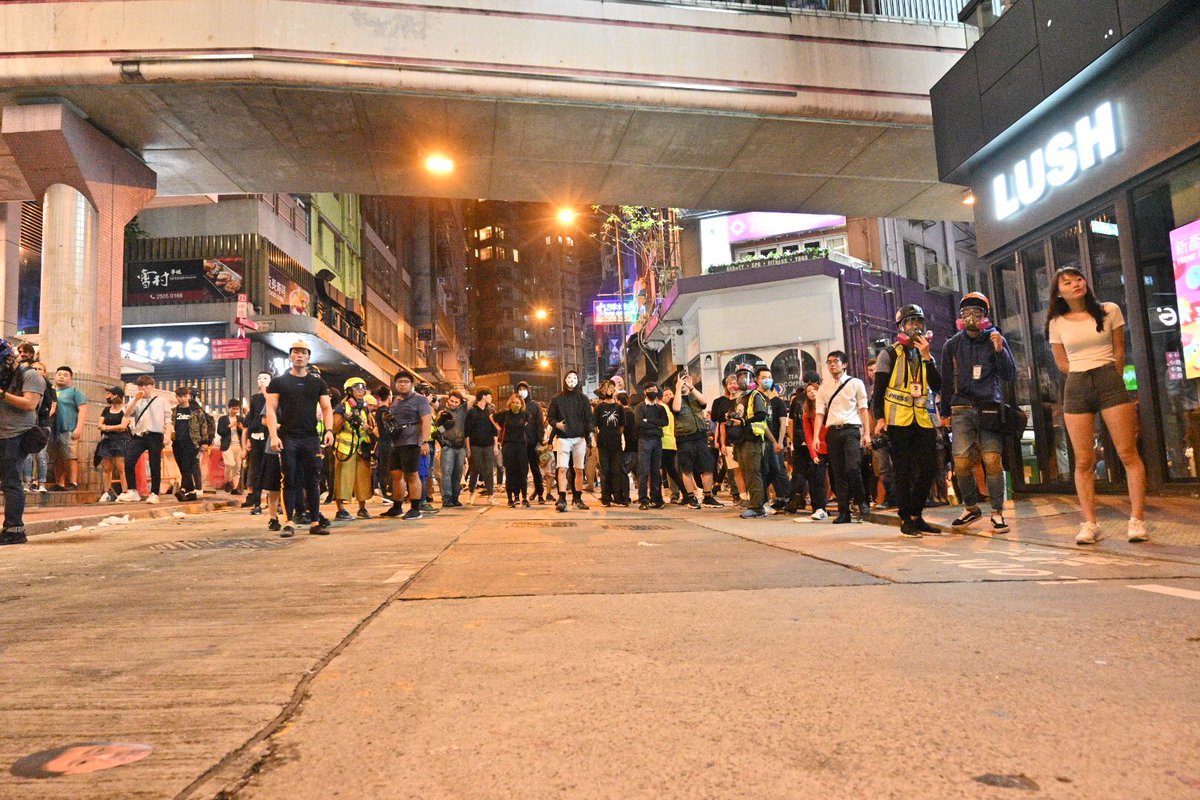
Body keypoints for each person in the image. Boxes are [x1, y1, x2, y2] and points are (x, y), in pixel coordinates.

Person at [1047, 267, 1148, 544]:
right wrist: (1082, 372)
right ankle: (1090, 523)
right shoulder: (1057, 322)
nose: (1075, 284)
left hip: (1108, 379)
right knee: (1083, 460)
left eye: (1078, 279)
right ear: (1059, 292)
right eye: (1067, 282)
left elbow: (1119, 350)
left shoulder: (1109, 309)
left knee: (1127, 452)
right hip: (1077, 384)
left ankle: (1137, 520)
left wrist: (1111, 376)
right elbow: (1061, 362)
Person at [940, 292, 1017, 534]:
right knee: (961, 461)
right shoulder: (951, 345)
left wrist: (999, 350)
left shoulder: (995, 339)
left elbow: (1009, 375)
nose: (971, 317)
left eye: (977, 313)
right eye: (966, 313)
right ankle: (971, 507)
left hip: (988, 408)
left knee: (992, 460)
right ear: (960, 317)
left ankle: (997, 512)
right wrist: (944, 412)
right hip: (960, 408)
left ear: (985, 316)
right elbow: (944, 380)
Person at [872, 305, 943, 537]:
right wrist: (879, 418)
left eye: (919, 322)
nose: (915, 327)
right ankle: (906, 518)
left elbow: (937, 385)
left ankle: (916, 513)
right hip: (898, 420)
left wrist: (927, 358)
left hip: (922, 419)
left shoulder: (926, 354)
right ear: (901, 327)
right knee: (902, 470)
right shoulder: (889, 354)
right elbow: (879, 389)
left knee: (929, 466)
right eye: (909, 323)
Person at [265, 341, 334, 537]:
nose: (299, 356)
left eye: (303, 352)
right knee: (289, 479)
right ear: (290, 356)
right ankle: (288, 522)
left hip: (311, 437)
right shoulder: (278, 382)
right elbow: (270, 410)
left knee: (313, 480)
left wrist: (329, 430)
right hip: (288, 437)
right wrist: (274, 436)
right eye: (295, 352)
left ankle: (314, 521)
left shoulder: (317, 383)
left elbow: (327, 408)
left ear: (308, 357)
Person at [814, 351, 870, 524]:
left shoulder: (856, 383)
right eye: (829, 362)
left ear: (844, 364)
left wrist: (867, 433)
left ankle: (861, 500)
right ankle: (843, 511)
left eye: (836, 361)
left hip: (851, 429)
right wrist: (816, 436)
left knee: (853, 467)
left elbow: (863, 409)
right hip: (833, 432)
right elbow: (819, 414)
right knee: (837, 473)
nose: (832, 365)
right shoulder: (824, 388)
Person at [0, 345, 48, 545]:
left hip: (17, 436)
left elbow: (30, 403)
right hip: (2, 434)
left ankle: (15, 529)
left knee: (11, 482)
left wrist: (2, 394)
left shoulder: (31, 376)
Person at [382, 373, 434, 520]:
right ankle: (397, 507)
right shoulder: (396, 401)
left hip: (412, 442)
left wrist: (424, 442)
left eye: (405, 382)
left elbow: (426, 421)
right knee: (396, 474)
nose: (402, 385)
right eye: (399, 382)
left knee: (412, 474)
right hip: (396, 442)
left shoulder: (420, 400)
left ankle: (415, 508)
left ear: (411, 384)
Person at [670, 371, 722, 509]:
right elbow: (676, 408)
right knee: (687, 469)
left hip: (700, 436)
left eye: (685, 380)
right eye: (681, 380)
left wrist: (691, 387)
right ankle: (691, 497)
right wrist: (678, 389)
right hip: (684, 438)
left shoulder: (694, 396)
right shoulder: (674, 398)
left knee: (707, 467)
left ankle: (708, 497)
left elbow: (704, 402)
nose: (684, 383)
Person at [546, 370, 593, 512]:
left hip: (580, 438)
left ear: (578, 380)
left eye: (574, 378)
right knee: (562, 468)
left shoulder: (583, 398)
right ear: (564, 379)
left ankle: (577, 498)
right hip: (563, 438)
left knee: (579, 469)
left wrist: (589, 438)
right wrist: (556, 425)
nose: (571, 380)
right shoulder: (557, 399)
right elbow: (550, 417)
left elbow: (588, 419)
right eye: (569, 377)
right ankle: (562, 498)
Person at [727, 365, 769, 518]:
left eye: (746, 375)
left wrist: (743, 422)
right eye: (739, 376)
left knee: (753, 473)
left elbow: (761, 415)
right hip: (741, 440)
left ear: (752, 378)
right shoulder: (740, 397)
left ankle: (757, 507)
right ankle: (755, 503)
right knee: (746, 473)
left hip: (752, 439)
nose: (742, 378)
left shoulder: (755, 395)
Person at [118, 375, 167, 504]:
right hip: (139, 435)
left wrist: (167, 435)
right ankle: (132, 491)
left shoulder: (161, 400)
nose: (143, 388)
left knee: (154, 464)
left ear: (152, 386)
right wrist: (135, 399)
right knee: (129, 460)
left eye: (146, 385)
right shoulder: (136, 400)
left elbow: (168, 419)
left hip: (155, 435)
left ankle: (154, 493)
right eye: (140, 386)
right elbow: (127, 413)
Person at [332, 377, 376, 520]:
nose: (360, 391)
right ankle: (341, 510)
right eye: (357, 388)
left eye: (363, 388)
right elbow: (334, 427)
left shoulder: (364, 408)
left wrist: (368, 428)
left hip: (361, 449)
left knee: (363, 479)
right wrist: (346, 417)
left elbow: (371, 428)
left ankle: (362, 508)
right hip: (345, 450)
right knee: (343, 478)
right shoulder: (342, 407)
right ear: (350, 391)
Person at [787, 372, 829, 520]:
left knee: (804, 473)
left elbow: (791, 423)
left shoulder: (826, 402)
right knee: (815, 476)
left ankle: (799, 498)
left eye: (814, 389)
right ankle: (818, 506)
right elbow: (802, 428)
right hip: (811, 445)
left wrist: (793, 440)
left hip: (821, 445)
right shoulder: (804, 406)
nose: (812, 392)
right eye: (809, 390)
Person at [168, 386, 213, 502]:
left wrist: (204, 442)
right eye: (179, 396)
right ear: (176, 397)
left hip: (192, 442)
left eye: (184, 396)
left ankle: (183, 489)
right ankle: (192, 492)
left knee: (187, 466)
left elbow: (204, 426)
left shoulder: (196, 411)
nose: (182, 399)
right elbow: (169, 425)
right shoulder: (174, 411)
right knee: (183, 468)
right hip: (177, 442)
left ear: (188, 396)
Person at [756, 366, 792, 511]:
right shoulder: (756, 398)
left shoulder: (777, 401)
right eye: (763, 377)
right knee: (765, 470)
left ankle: (788, 498)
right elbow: (761, 422)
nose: (767, 380)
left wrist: (779, 441)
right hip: (761, 440)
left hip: (776, 441)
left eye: (769, 377)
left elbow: (783, 423)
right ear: (757, 380)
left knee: (779, 470)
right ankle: (765, 500)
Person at [47, 365, 87, 491]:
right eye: (59, 374)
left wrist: (79, 427)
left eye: (65, 375)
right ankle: (60, 483)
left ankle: (73, 482)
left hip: (68, 427)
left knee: (70, 456)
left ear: (71, 378)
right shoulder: (50, 391)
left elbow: (83, 409)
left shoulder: (75, 391)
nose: (62, 377)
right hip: (52, 429)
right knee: (56, 456)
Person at [712, 374, 746, 503]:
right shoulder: (722, 403)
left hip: (744, 439)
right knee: (733, 469)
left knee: (746, 469)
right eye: (730, 383)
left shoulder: (744, 400)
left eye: (735, 382)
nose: (733, 385)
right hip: (729, 440)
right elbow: (721, 424)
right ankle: (737, 495)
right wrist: (721, 442)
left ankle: (748, 494)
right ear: (726, 386)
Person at [242, 372, 273, 512]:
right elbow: (251, 419)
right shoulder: (254, 399)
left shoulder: (274, 397)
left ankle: (273, 501)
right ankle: (256, 503)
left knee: (270, 469)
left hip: (269, 437)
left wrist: (267, 393)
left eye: (265, 378)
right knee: (255, 470)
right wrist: (248, 438)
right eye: (259, 378)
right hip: (256, 438)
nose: (262, 381)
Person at [634, 384, 668, 509]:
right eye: (650, 390)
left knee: (656, 470)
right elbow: (638, 423)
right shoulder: (640, 407)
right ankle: (643, 499)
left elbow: (665, 422)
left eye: (655, 390)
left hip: (657, 441)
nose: (653, 392)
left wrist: (648, 420)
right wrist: (655, 426)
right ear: (645, 392)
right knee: (644, 470)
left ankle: (657, 498)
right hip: (644, 440)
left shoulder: (660, 408)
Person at [495, 394, 532, 507]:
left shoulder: (525, 415)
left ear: (521, 405)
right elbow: (492, 417)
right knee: (510, 472)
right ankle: (511, 498)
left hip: (521, 446)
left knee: (522, 472)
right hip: (508, 445)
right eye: (513, 402)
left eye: (517, 403)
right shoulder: (505, 414)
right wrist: (499, 428)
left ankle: (524, 497)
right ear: (510, 403)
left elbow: (530, 425)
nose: (515, 404)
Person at [593, 380, 626, 507]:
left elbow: (622, 425)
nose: (608, 389)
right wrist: (597, 440)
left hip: (616, 442)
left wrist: (618, 435)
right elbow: (595, 427)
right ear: (602, 390)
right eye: (606, 387)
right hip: (603, 442)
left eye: (611, 387)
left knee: (616, 470)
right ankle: (605, 497)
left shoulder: (619, 407)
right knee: (605, 470)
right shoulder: (599, 407)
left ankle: (618, 497)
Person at [95, 386, 131, 503]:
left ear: (116, 395)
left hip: (121, 441)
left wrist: (107, 427)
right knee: (106, 467)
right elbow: (99, 425)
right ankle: (107, 492)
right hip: (107, 440)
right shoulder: (106, 409)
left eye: (110, 393)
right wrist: (111, 428)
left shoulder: (125, 409)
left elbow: (122, 427)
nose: (107, 396)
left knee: (120, 467)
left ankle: (125, 491)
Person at [464, 388, 499, 504]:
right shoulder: (472, 412)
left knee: (489, 470)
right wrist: (468, 448)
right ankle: (471, 493)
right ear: (484, 396)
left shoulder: (491, 411)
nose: (491, 398)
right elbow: (467, 431)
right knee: (474, 469)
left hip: (488, 445)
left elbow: (495, 430)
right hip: (475, 446)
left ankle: (490, 495)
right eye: (490, 395)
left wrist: (495, 446)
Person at [515, 381, 546, 503]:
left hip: (532, 442)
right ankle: (521, 495)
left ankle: (540, 494)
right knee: (521, 471)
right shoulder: (516, 405)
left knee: (535, 469)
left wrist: (540, 440)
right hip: (519, 443)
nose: (522, 391)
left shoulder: (535, 405)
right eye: (519, 389)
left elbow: (540, 424)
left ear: (528, 390)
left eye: (524, 389)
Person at [436, 390, 468, 507]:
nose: (453, 403)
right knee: (447, 473)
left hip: (461, 446)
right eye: (451, 401)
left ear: (460, 402)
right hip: (448, 446)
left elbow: (473, 398)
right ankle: (447, 498)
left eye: (456, 402)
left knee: (458, 474)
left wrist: (462, 395)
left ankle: (455, 497)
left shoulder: (463, 410)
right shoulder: (443, 411)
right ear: (448, 400)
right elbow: (436, 430)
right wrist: (444, 426)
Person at [216, 398, 244, 494]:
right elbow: (220, 432)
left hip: (238, 445)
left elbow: (245, 432)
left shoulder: (241, 419)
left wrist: (240, 427)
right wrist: (229, 426)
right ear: (229, 408)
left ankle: (235, 488)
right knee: (230, 464)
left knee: (237, 468)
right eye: (233, 409)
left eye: (237, 409)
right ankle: (228, 481)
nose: (235, 411)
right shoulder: (223, 419)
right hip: (227, 445)